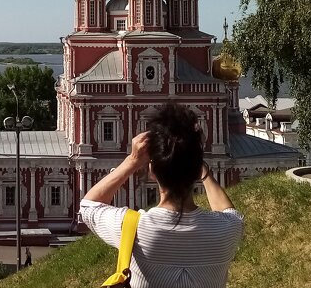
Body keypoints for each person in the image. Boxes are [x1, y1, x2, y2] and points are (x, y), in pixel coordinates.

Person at [78, 103, 243, 288]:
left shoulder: (135, 228)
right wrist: (202, 169)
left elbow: (88, 205)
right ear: (196, 167)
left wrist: (132, 160)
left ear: (152, 171)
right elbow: (229, 212)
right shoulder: (226, 230)